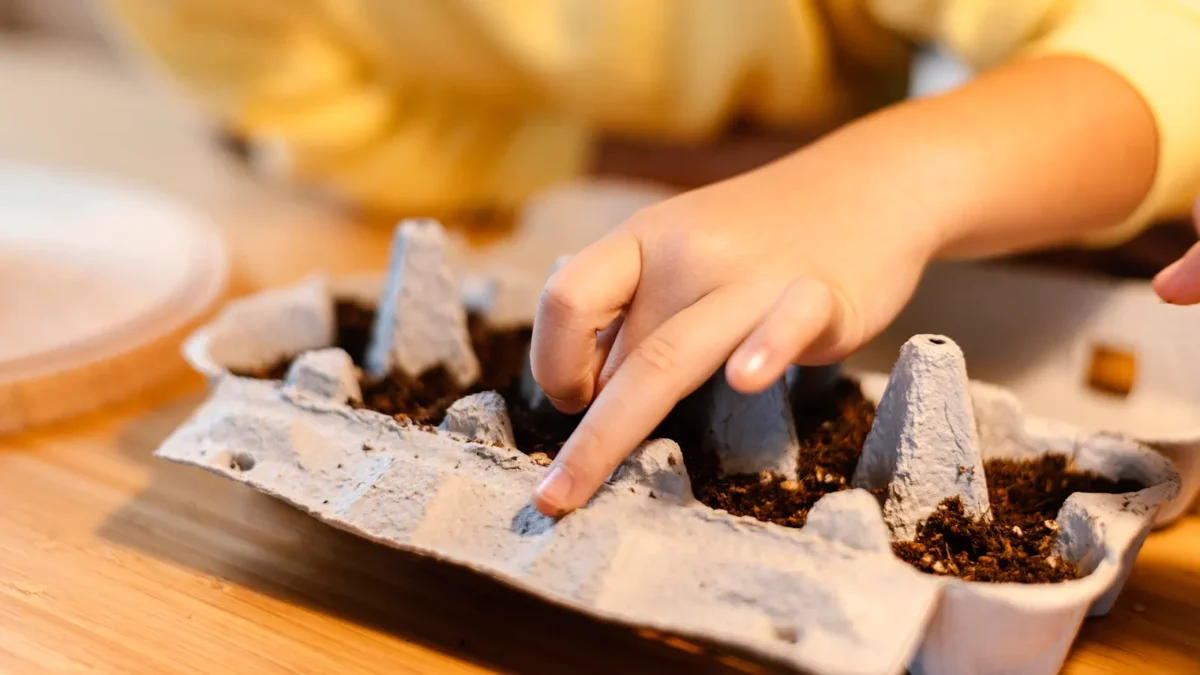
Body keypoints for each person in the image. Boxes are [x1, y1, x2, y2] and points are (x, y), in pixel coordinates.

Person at [100, 1, 1200, 517]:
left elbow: (1154, 34)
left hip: (1010, 222)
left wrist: (879, 179)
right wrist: (760, 183)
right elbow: (391, 138)